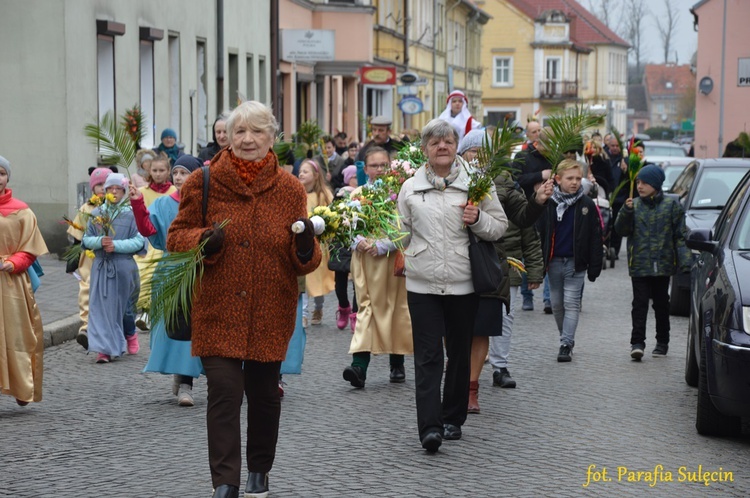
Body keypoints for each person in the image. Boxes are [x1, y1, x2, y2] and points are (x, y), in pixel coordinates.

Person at [167, 100, 321, 498]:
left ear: (272, 137)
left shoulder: (289, 188)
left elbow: (303, 259)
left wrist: (306, 246)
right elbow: (176, 237)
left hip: (271, 308)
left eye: (257, 131)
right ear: (228, 136)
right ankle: (225, 481)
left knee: (265, 394)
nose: (248, 139)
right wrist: (204, 239)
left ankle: (259, 470)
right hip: (217, 306)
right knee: (224, 390)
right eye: (240, 131)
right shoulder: (202, 182)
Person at [398, 119, 507, 452]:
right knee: (428, 356)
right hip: (422, 283)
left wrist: (479, 219)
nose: (441, 146)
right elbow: (400, 230)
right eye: (434, 142)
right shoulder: (410, 188)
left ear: (456, 145)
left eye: (447, 141)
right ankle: (429, 427)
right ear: (425, 150)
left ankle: (452, 418)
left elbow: (499, 227)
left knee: (458, 353)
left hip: (463, 283)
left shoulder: (477, 183)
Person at [458, 129, 550, 413]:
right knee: (457, 328)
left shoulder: (503, 180)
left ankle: (474, 387)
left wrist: (537, 200)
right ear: (462, 154)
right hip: (455, 264)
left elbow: (523, 218)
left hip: (490, 264)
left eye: (486, 152)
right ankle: (457, 379)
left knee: (486, 326)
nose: (480, 157)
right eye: (474, 151)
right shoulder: (449, 179)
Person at [129, 154, 205, 406]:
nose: (180, 178)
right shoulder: (163, 204)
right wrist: (138, 203)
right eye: (177, 173)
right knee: (177, 326)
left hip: (202, 272)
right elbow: (148, 230)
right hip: (172, 270)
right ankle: (184, 380)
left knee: (199, 329)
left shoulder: (208, 205)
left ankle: (189, 377)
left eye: (186, 173)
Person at [342, 146, 413, 388]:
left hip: (391, 259)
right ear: (366, 168)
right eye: (374, 165)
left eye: (384, 164)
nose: (380, 169)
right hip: (366, 262)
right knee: (367, 308)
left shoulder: (400, 193)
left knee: (395, 307)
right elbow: (346, 224)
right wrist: (357, 240)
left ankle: (397, 362)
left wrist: (385, 244)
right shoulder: (357, 194)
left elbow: (407, 226)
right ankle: (359, 367)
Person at [614, 164, 691, 360]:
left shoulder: (671, 206)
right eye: (638, 182)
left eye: (645, 183)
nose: (640, 186)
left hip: (663, 266)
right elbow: (620, 230)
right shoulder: (634, 206)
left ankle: (662, 341)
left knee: (661, 304)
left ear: (656, 185)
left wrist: (686, 262)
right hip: (639, 265)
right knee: (639, 304)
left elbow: (680, 237)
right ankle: (637, 343)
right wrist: (625, 211)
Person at [538, 159, 603, 363]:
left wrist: (594, 265)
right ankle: (564, 336)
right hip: (554, 261)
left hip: (576, 262)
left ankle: (566, 343)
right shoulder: (549, 203)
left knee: (571, 303)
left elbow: (595, 235)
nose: (575, 182)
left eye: (578, 178)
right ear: (557, 179)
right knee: (557, 304)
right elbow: (539, 232)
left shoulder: (586, 204)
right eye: (570, 178)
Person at [0, 155, 49, 406]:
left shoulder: (22, 211)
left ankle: (21, 385)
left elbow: (29, 249)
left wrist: (10, 263)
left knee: (18, 337)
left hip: (12, 283)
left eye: (1, 173)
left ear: (8, 177)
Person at [83, 173, 146, 364]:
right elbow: (86, 239)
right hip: (101, 267)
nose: (113, 192)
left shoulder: (131, 213)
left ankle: (129, 334)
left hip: (124, 267)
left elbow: (139, 240)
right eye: (110, 188)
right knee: (100, 308)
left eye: (118, 188)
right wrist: (100, 241)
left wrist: (116, 246)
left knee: (124, 308)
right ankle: (104, 350)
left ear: (124, 190)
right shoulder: (97, 214)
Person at [67, 167, 112, 350]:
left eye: (106, 184)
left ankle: (107, 329)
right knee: (86, 289)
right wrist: (72, 259)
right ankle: (85, 327)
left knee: (107, 293)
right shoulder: (86, 209)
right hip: (88, 258)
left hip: (110, 257)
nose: (102, 188)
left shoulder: (116, 209)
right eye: (98, 184)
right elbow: (77, 236)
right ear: (92, 188)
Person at [134, 153, 177, 330]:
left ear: (168, 172)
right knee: (142, 272)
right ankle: (144, 309)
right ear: (149, 171)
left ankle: (152, 311)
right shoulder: (142, 192)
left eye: (162, 170)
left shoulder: (174, 192)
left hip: (165, 240)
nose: (158, 174)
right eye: (155, 170)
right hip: (146, 240)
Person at [515, 125, 555, 313]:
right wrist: (539, 176)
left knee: (548, 251)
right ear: (537, 141)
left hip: (550, 210)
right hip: (527, 209)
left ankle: (548, 298)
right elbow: (516, 180)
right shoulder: (523, 156)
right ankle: (527, 296)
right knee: (526, 253)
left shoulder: (556, 158)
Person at [298, 159, 335, 326]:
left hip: (319, 243)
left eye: (305, 171)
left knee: (318, 280)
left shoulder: (324, 194)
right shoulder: (297, 193)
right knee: (304, 280)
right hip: (301, 242)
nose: (301, 174)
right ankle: (303, 314)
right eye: (300, 171)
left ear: (315, 175)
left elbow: (332, 216)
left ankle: (318, 307)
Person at [330, 165, 359, 332]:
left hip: (357, 244)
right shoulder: (340, 195)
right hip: (341, 245)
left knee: (358, 284)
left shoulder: (364, 193)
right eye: (353, 176)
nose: (356, 179)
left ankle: (355, 314)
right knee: (340, 285)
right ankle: (343, 307)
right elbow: (331, 215)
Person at [605, 135, 628, 259]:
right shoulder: (605, 157)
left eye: (616, 146)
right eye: (612, 145)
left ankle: (615, 251)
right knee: (605, 224)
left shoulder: (624, 160)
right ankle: (605, 248)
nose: (614, 148)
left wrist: (626, 170)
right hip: (607, 198)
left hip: (620, 198)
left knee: (617, 226)